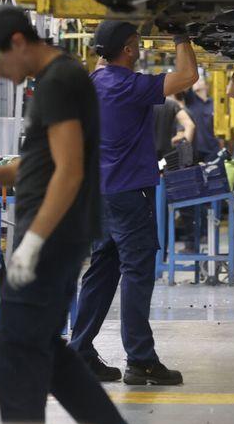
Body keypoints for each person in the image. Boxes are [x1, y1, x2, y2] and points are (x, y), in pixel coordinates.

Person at [0, 6, 154, 424]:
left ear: (18, 43)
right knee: (48, 352)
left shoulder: (60, 82)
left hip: (52, 239)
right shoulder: (60, 79)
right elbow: (45, 162)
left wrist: (34, 241)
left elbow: (70, 171)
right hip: (60, 235)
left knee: (18, 359)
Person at [71, 21, 198, 386]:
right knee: (137, 272)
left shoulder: (94, 82)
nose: (141, 48)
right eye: (137, 44)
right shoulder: (129, 86)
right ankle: (141, 359)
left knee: (102, 271)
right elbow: (188, 75)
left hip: (100, 193)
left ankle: (79, 352)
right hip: (129, 193)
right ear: (127, 50)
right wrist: (182, 34)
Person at [184, 78, 221, 162]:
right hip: (195, 149)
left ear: (206, 86)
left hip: (212, 149)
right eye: (195, 81)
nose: (196, 82)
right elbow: (184, 86)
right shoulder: (191, 99)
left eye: (200, 80)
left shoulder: (214, 103)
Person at [152, 95, 195, 163]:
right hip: (169, 158)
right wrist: (184, 150)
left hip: (144, 157)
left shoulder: (138, 105)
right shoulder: (171, 103)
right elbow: (190, 125)